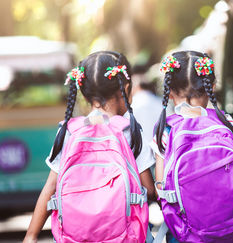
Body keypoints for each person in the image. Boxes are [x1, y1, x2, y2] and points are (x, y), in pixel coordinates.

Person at [23, 51, 155, 243]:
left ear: (84, 94)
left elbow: (51, 186)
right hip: (126, 235)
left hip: (76, 236)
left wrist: (31, 235)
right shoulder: (129, 131)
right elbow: (148, 190)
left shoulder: (69, 132)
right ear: (125, 89)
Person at [151, 51, 233, 243]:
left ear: (169, 91)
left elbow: (161, 187)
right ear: (212, 86)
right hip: (230, 227)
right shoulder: (225, 122)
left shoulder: (165, 129)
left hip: (185, 231)